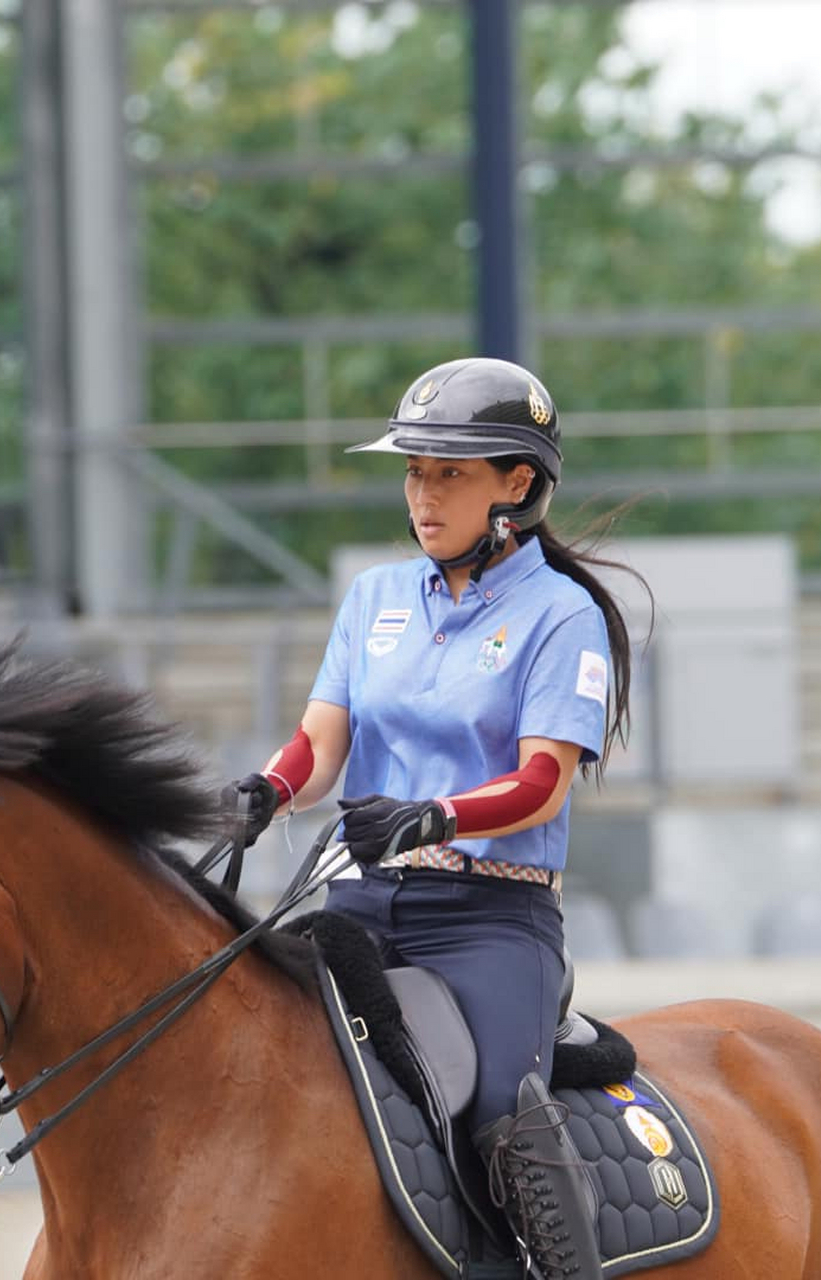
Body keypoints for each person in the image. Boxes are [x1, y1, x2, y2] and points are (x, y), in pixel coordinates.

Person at [227, 356, 638, 1280]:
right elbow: (318, 745)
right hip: (358, 905)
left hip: (491, 922)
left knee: (503, 1114)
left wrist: (430, 818)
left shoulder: (561, 615)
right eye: (415, 472)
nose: (423, 495)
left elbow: (542, 783)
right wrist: (267, 790)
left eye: (449, 473)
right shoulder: (372, 600)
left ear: (517, 485)